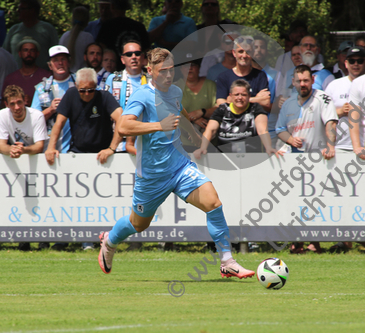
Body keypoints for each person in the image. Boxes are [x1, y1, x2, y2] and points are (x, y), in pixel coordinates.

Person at [98, 47, 256, 280]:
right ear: (150, 70)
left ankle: (227, 261)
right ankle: (110, 242)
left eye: (172, 70)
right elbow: (123, 126)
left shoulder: (174, 91)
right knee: (138, 224)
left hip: (180, 166)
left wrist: (191, 133)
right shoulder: (142, 95)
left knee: (213, 202)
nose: (169, 75)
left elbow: (178, 111)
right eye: (163, 71)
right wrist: (158, 126)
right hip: (152, 176)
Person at [275, 65, 338, 254]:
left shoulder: (323, 98)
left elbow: (331, 122)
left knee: (313, 202)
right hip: (293, 161)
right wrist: (290, 140)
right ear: (294, 82)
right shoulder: (288, 104)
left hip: (316, 160)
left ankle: (314, 242)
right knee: (293, 203)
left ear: (312, 80)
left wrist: (331, 145)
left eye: (306, 80)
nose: (302, 84)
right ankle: (296, 242)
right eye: (299, 81)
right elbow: (279, 130)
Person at [325, 47, 365, 253]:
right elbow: (324, 114)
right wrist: (340, 111)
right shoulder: (334, 85)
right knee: (343, 196)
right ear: (344, 63)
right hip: (341, 146)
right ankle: (345, 240)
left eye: (359, 60)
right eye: (351, 60)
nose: (356, 64)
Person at [0, 85, 47, 252]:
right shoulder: (2, 116)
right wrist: (12, 150)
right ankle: (23, 240)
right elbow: (1, 145)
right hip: (17, 161)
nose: (17, 107)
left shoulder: (37, 116)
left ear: (25, 100)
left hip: (38, 161)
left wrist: (22, 150)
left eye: (19, 102)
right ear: (6, 104)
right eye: (12, 104)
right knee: (19, 201)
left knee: (42, 201)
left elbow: (39, 146)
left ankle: (44, 240)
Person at [44, 67, 122, 162]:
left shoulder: (104, 96)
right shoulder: (70, 94)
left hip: (103, 152)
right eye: (82, 90)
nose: (86, 94)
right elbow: (59, 123)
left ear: (96, 85)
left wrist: (111, 148)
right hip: (77, 152)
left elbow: (121, 119)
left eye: (90, 90)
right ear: (76, 85)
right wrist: (51, 148)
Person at [194, 79, 280, 155]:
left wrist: (268, 147)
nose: (240, 98)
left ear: (249, 96)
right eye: (236, 94)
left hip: (252, 156)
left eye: (243, 95)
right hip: (225, 157)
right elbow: (211, 130)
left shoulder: (256, 108)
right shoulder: (222, 109)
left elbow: (262, 130)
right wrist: (203, 148)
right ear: (230, 96)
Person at [105, 40, 149, 156]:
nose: (133, 57)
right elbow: (105, 108)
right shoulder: (113, 79)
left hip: (146, 138)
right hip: (119, 140)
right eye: (129, 54)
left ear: (143, 57)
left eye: (137, 53)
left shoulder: (151, 80)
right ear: (122, 59)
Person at [31, 45, 75, 154]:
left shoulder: (80, 83)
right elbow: (32, 121)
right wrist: (50, 109)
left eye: (63, 59)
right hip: (50, 149)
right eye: (56, 60)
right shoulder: (41, 88)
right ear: (50, 66)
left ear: (69, 62)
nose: (60, 63)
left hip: (76, 147)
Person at [216, 36, 271, 111]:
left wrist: (234, 100)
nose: (244, 56)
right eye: (240, 51)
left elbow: (266, 102)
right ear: (234, 53)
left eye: (248, 52)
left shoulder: (260, 75)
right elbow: (220, 103)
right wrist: (256, 99)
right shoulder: (223, 77)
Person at [3, 0, 58, 71]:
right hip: (16, 77)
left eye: (21, 9)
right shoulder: (14, 29)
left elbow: (56, 55)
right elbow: (5, 55)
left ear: (32, 10)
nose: (18, 11)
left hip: (43, 78)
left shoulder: (47, 29)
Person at [96, 0, 150, 71]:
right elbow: (147, 50)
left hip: (113, 69)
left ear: (112, 6)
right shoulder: (138, 26)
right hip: (134, 69)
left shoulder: (107, 26)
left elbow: (101, 47)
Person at [2, 37, 50, 107]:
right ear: (20, 53)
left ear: (37, 53)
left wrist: (34, 103)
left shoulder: (46, 77)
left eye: (32, 50)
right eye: (25, 50)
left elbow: (50, 103)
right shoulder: (10, 78)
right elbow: (3, 104)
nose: (28, 53)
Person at [174, 58, 217, 132]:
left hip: (208, 136)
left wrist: (202, 112)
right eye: (186, 65)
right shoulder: (174, 88)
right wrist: (193, 119)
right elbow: (170, 113)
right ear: (180, 69)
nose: (190, 68)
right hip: (183, 138)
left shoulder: (211, 85)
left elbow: (219, 109)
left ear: (199, 67)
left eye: (193, 65)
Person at [59, 6, 94, 73]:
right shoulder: (88, 37)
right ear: (87, 21)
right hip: (83, 74)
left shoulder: (64, 36)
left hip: (67, 74)